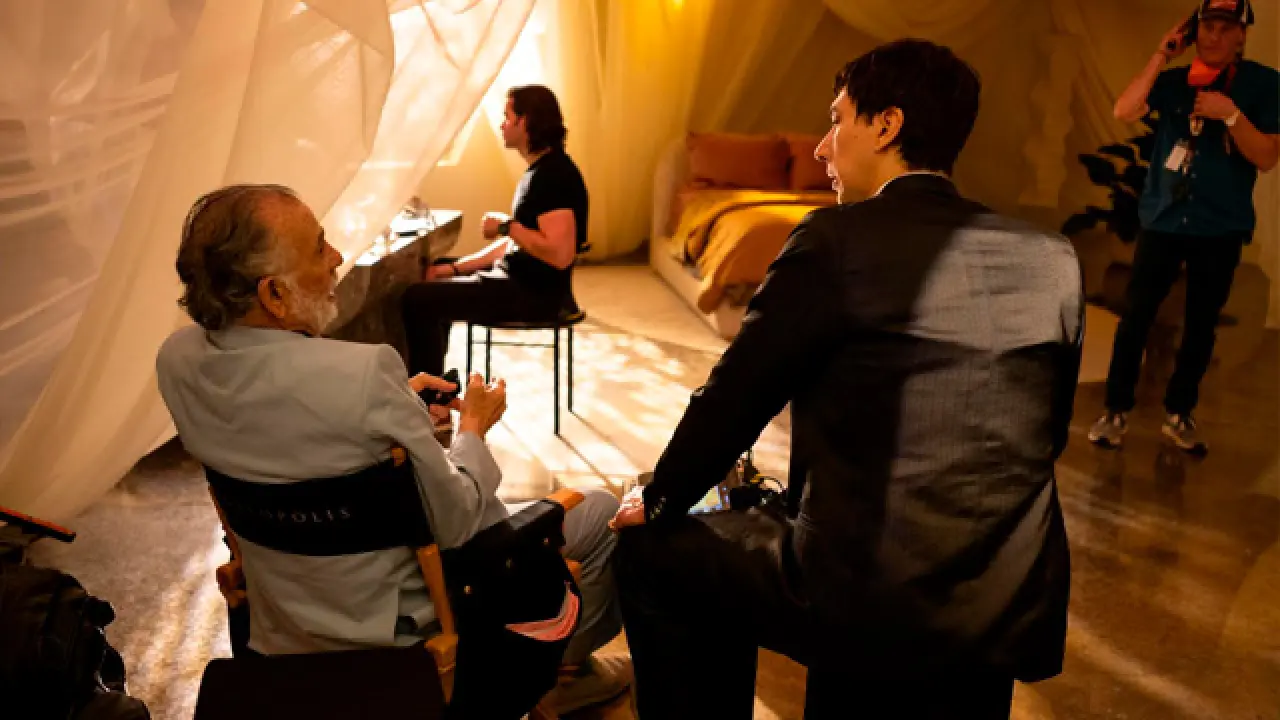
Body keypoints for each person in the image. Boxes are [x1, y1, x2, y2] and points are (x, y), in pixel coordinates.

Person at [609, 39, 1081, 719]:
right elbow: (1044, 433)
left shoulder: (833, 240)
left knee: (654, 552)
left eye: (837, 120)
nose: (824, 148)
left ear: (887, 125)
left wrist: (657, 498)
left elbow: (734, 402)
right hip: (1008, 590)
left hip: (865, 589)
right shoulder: (1053, 258)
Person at [155, 184, 629, 714]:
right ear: (274, 295)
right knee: (602, 511)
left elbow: (279, 423)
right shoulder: (364, 373)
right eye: (319, 246)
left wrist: (397, 410)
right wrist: (473, 427)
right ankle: (567, 677)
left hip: (281, 624)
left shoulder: (177, 362)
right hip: (395, 634)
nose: (336, 257)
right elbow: (458, 522)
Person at [1089, 0, 1278, 454]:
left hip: (1220, 223)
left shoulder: (1264, 84)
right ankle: (1115, 410)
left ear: (1241, 36)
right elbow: (1124, 110)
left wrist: (1230, 115)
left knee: (1201, 324)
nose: (1214, 36)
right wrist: (1161, 54)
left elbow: (1267, 157)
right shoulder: (1174, 82)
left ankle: (1179, 413)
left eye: (1224, 28)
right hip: (1165, 218)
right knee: (1136, 316)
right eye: (1206, 27)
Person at [401, 84, 588, 379]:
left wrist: (507, 226)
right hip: (518, 280)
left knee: (417, 299)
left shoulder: (554, 176)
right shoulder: (539, 171)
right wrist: (453, 268)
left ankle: (430, 394)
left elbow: (560, 254)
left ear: (525, 121)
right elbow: (518, 244)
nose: (502, 125)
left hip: (534, 294)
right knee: (437, 270)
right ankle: (436, 383)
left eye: (507, 117)